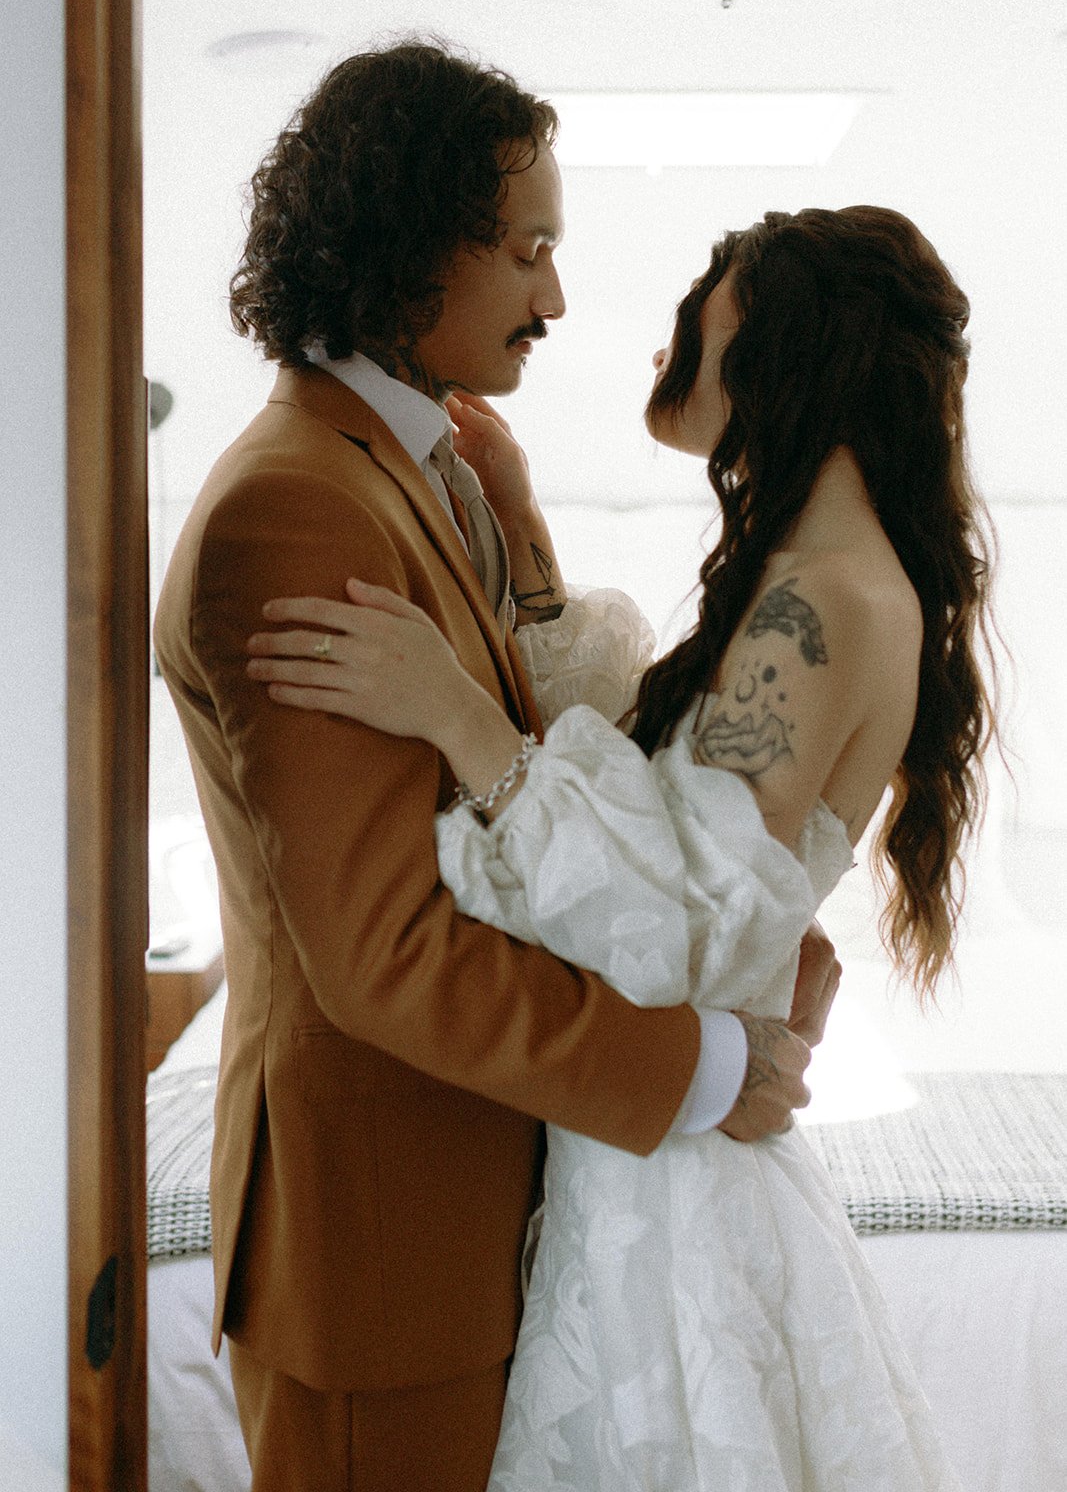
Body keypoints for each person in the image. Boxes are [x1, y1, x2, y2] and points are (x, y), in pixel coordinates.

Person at [152, 40, 838, 1492]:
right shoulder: (296, 511)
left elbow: (518, 768)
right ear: (411, 248)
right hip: (384, 1248)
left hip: (461, 1210)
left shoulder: (414, 465)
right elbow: (383, 953)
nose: (556, 299)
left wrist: (513, 533)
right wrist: (697, 1068)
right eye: (527, 251)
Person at [245, 204, 995, 1488]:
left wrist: (460, 722)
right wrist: (522, 532)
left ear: (781, 354)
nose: (659, 350)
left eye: (696, 318)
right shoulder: (829, 571)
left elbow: (669, 930)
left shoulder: (817, 597)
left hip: (671, 1210)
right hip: (655, 1173)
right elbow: (673, 826)